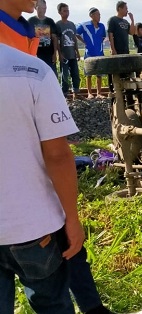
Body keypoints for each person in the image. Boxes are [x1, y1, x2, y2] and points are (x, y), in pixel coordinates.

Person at [0, 1, 85, 313]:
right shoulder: (34, 71)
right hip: (32, 227)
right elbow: (58, 155)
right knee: (52, 304)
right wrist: (72, 219)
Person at [76, 7, 107, 99]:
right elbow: (76, 33)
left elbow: (103, 37)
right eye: (97, 14)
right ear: (92, 15)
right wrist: (84, 42)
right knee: (88, 73)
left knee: (99, 74)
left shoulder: (102, 26)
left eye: (100, 14)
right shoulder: (85, 25)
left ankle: (99, 93)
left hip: (99, 52)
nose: (99, 16)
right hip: (89, 52)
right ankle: (89, 93)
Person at [107, 0, 135, 95]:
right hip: (117, 50)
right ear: (120, 9)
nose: (127, 10)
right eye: (125, 8)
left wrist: (132, 20)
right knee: (116, 70)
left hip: (125, 50)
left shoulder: (126, 21)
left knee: (125, 71)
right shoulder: (113, 20)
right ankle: (113, 89)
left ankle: (125, 89)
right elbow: (110, 35)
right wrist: (112, 48)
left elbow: (132, 32)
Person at [28, 0, 60, 76]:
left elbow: (54, 38)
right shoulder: (31, 21)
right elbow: (27, 38)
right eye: (41, 7)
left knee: (52, 74)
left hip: (49, 54)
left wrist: (55, 54)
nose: (43, 9)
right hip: (36, 54)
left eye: (44, 7)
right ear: (36, 8)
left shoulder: (50, 21)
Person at [56, 2, 81, 100]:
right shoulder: (58, 25)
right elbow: (57, 41)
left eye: (68, 10)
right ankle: (65, 94)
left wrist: (77, 51)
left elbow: (74, 38)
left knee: (75, 74)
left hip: (72, 54)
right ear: (60, 12)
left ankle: (76, 92)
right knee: (64, 75)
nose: (67, 13)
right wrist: (59, 54)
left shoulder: (72, 24)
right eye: (64, 11)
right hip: (64, 54)